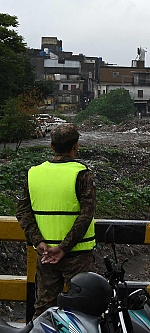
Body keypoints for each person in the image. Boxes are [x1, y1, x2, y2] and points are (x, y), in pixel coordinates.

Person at [15, 123, 97, 318]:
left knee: (44, 309)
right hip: (78, 255)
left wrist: (39, 242)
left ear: (51, 146)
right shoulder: (82, 174)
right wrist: (64, 247)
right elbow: (86, 215)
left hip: (45, 255)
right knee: (83, 311)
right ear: (76, 146)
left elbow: (23, 212)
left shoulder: (34, 173)